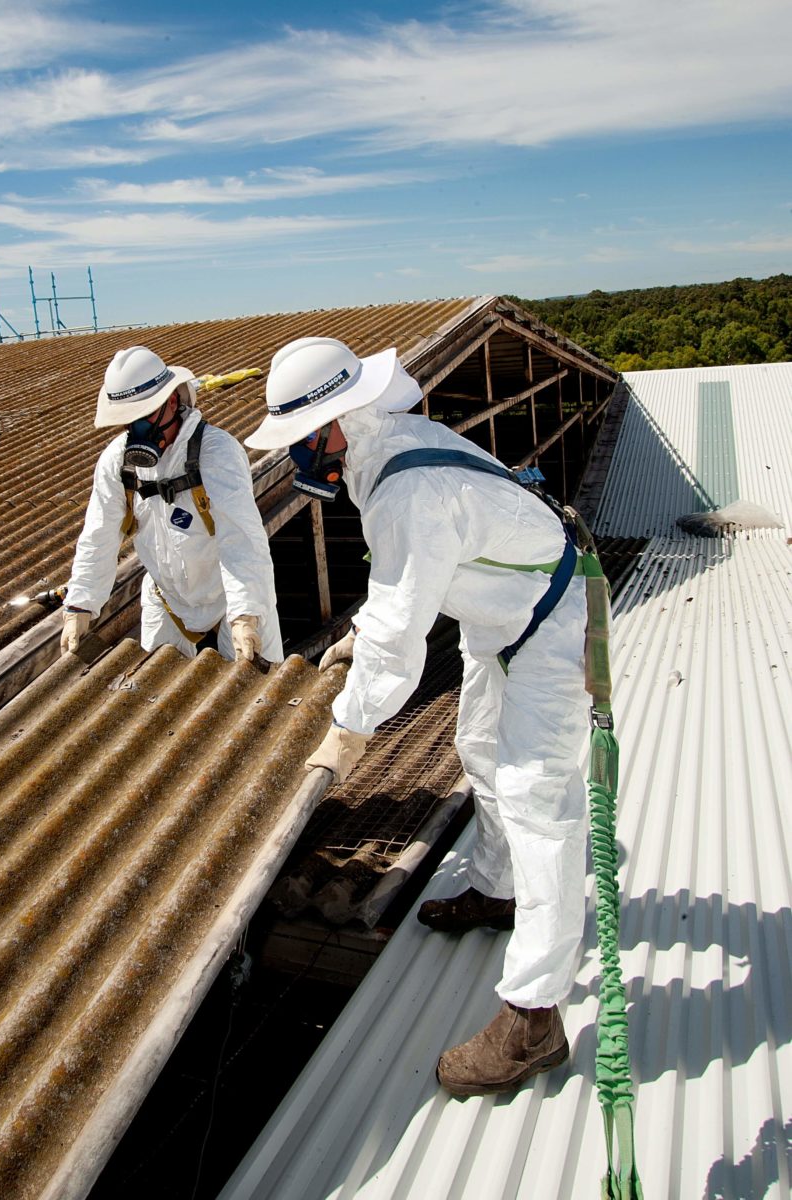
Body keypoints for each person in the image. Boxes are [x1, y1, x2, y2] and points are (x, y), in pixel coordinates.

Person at [245, 336, 591, 1096]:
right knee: (476, 747)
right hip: (497, 613)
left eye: (302, 442)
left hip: (551, 619)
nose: (298, 459)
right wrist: (360, 636)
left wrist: (351, 726)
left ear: (335, 424)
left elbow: (403, 632)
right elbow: (409, 583)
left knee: (539, 801)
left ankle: (534, 1017)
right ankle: (499, 892)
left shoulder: (403, 489)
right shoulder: (385, 450)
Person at [62, 345, 283, 665]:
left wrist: (246, 614)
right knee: (159, 690)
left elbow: (242, 539)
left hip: (231, 597)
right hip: (167, 599)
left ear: (173, 401)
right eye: (129, 420)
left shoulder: (216, 452)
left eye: (145, 416)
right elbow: (99, 535)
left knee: (257, 688)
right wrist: (79, 607)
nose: (138, 429)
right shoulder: (118, 462)